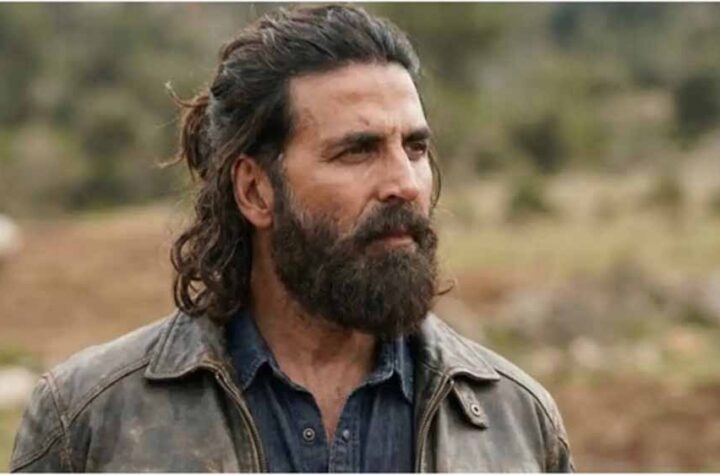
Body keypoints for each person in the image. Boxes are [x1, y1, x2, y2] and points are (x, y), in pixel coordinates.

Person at [10, 5, 573, 472]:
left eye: (416, 148)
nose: (405, 183)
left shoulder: (515, 422)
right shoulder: (91, 422)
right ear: (256, 191)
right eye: (357, 151)